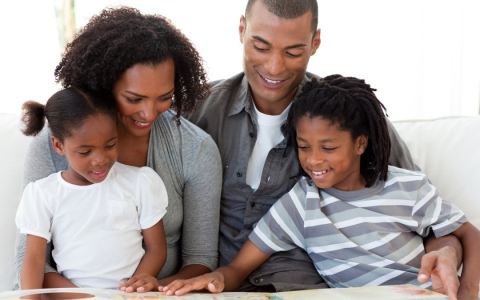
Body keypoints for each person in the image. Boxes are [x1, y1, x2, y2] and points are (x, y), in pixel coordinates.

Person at [186, 0, 463, 294]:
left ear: (315, 42)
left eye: (293, 52)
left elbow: (431, 218)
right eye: (261, 47)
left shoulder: (349, 117)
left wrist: (447, 252)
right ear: (242, 30)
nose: (274, 67)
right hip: (219, 285)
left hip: (310, 290)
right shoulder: (199, 109)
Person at [164, 75, 480, 300]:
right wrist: (216, 279)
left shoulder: (406, 186)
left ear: (360, 143)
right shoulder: (300, 204)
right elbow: (239, 267)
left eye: (328, 148)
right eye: (303, 147)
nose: (314, 160)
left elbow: (469, 234)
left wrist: (467, 291)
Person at [15, 7, 222, 292]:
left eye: (164, 98)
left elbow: (200, 258)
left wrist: (146, 291)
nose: (149, 113)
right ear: (104, 84)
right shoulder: (50, 147)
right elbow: (32, 260)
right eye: (134, 98)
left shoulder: (195, 149)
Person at [16, 88, 168, 291]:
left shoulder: (140, 181)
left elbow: (157, 249)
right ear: (58, 146)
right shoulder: (43, 194)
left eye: (110, 145)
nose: (100, 160)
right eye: (85, 152)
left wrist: (138, 283)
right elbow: (34, 261)